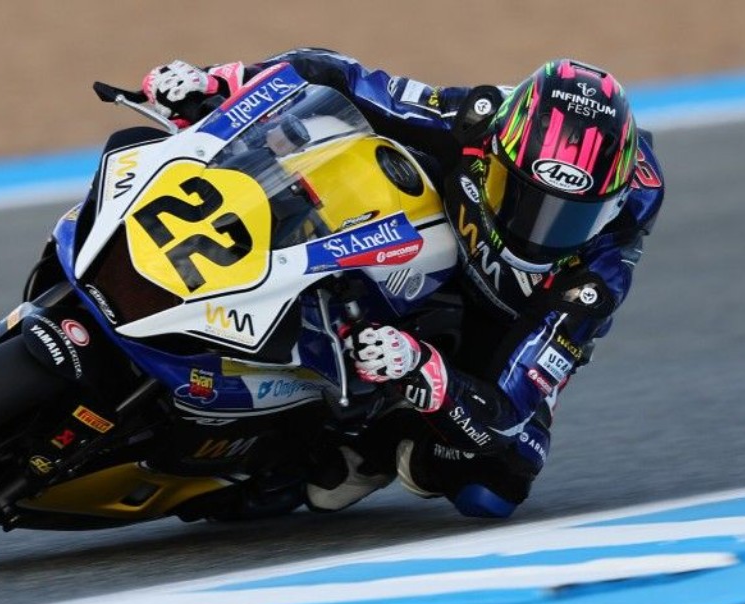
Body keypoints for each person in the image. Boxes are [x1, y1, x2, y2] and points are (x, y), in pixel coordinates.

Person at [140, 49, 665, 519]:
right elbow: (338, 76)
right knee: (326, 136)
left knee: (495, 481)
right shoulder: (474, 119)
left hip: (501, 323)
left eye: (569, 217)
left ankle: (377, 441)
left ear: (611, 207)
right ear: (494, 154)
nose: (537, 230)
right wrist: (222, 81)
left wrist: (422, 369)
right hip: (415, 240)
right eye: (520, 195)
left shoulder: (597, 279)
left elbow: (508, 415)